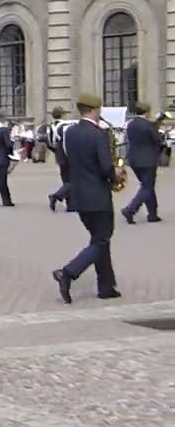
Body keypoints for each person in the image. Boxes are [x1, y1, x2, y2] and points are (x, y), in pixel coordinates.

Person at [54, 94, 123, 303]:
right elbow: (104, 166)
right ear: (95, 110)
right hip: (98, 195)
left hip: (78, 194)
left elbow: (64, 162)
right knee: (101, 240)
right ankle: (68, 273)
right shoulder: (98, 134)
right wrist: (116, 174)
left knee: (99, 240)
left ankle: (106, 285)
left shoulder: (70, 132)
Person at [122, 101, 162, 224]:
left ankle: (152, 214)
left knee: (147, 185)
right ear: (147, 111)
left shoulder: (131, 124)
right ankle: (130, 209)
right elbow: (157, 141)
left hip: (134, 159)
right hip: (148, 160)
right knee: (147, 187)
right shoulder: (148, 125)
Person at [48, 107, 73, 211]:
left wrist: (56, 152)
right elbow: (68, 141)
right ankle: (56, 196)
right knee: (73, 180)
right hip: (67, 154)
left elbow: (49, 143)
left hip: (59, 154)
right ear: (63, 114)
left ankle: (70, 204)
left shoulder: (51, 127)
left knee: (66, 180)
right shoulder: (65, 126)